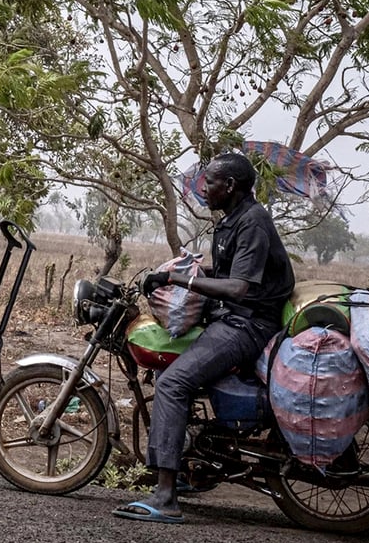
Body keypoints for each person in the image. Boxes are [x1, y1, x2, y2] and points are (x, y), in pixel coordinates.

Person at [113, 152, 295, 524]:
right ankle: (184, 468)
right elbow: (227, 271)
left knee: (173, 383)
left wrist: (179, 280)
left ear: (229, 186)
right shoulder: (234, 220)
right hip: (232, 318)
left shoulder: (253, 222)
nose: (203, 188)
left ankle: (165, 498)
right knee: (167, 375)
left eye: (209, 182)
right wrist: (178, 270)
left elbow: (239, 287)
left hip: (248, 324)